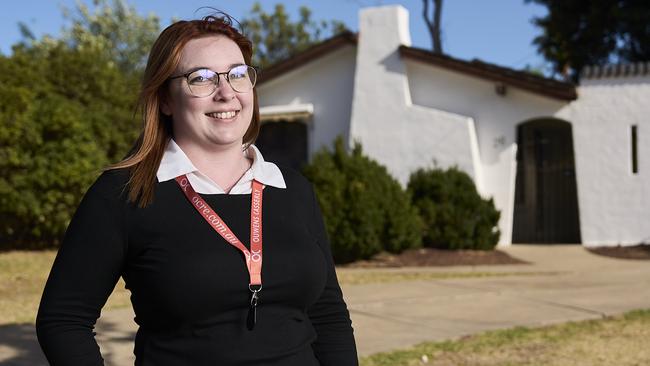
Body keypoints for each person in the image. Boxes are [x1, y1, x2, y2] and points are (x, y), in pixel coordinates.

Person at [36, 13, 358, 366]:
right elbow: (64, 321)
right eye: (200, 79)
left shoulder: (292, 189)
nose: (226, 93)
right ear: (165, 99)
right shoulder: (124, 193)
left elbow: (328, 315)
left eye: (237, 75)